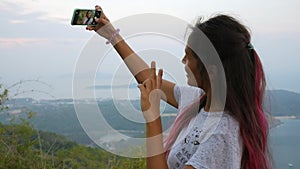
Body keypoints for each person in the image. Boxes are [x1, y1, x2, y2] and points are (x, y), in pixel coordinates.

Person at [86, 5, 271, 169]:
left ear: (211, 70)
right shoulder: (201, 100)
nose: (183, 61)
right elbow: (147, 78)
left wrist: (153, 119)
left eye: (188, 56)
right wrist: (112, 35)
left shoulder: (221, 134)